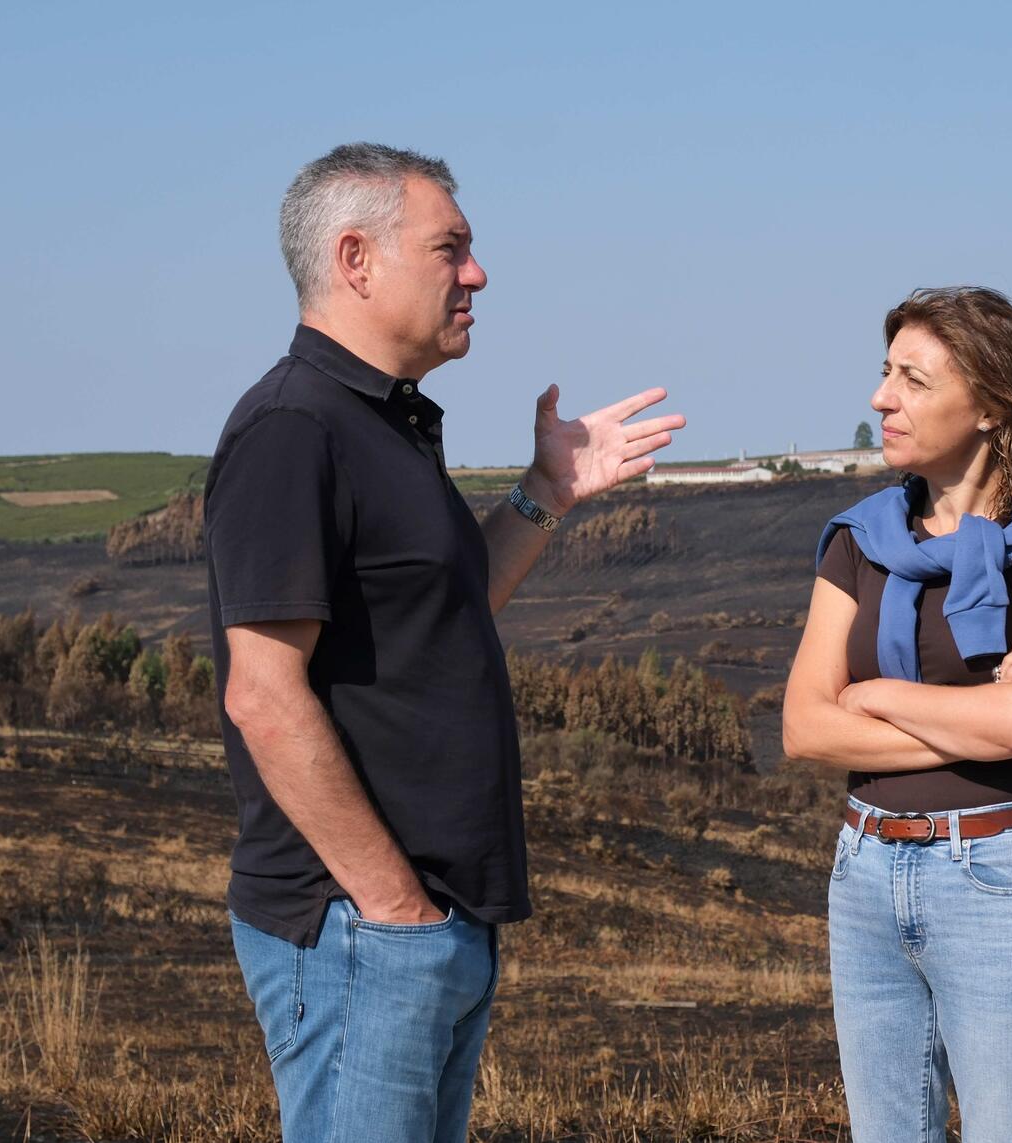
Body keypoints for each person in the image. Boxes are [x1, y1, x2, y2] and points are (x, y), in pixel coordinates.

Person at [205, 142, 684, 1142]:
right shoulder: (294, 427)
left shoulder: (383, 424)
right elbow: (261, 692)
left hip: (415, 926)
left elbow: (440, 613)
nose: (476, 274)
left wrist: (545, 495)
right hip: (356, 928)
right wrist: (393, 911)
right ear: (355, 259)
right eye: (450, 248)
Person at [782, 286, 1012, 1141]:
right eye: (884, 371)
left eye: (913, 379)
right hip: (863, 873)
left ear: (991, 411)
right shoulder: (856, 540)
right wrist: (970, 708)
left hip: (1001, 880)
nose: (880, 398)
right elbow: (805, 727)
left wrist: (877, 694)